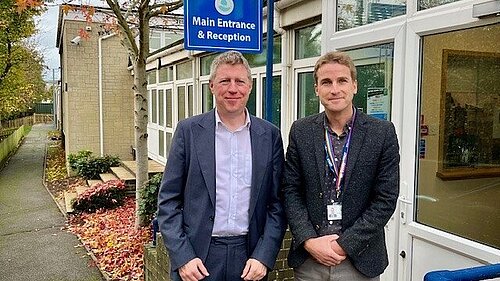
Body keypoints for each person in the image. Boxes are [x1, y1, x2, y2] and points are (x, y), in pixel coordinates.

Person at [157, 50, 287, 281]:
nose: (232, 88)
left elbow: (277, 204)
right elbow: (168, 201)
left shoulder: (269, 135)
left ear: (250, 86)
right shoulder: (189, 132)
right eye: (225, 81)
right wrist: (183, 256)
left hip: (249, 259)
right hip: (197, 259)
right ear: (212, 86)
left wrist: (264, 256)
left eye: (240, 81)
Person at [282, 51, 400, 280]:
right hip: (310, 261)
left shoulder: (381, 133)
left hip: (358, 260)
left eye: (342, 81)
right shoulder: (301, 131)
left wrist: (343, 245)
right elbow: (290, 190)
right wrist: (308, 240)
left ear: (354, 85)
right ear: (316, 89)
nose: (334, 89)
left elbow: (385, 198)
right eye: (326, 82)